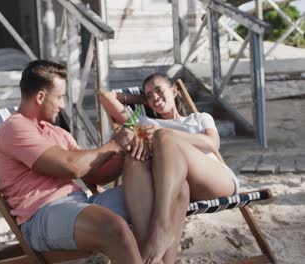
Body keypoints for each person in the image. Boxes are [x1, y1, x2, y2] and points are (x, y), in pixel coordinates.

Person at [0, 60, 185, 264]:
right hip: (41, 215)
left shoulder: (57, 132)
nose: (62, 105)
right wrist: (114, 145)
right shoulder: (15, 128)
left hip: (80, 203)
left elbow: (96, 174)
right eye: (59, 97)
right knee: (113, 228)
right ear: (40, 97)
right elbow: (73, 167)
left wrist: (131, 147)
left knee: (176, 190)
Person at [99, 73, 240, 263]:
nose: (155, 97)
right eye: (149, 95)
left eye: (159, 90)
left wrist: (164, 133)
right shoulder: (142, 121)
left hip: (214, 180)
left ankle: (162, 225)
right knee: (134, 158)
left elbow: (212, 143)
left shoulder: (199, 118)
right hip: (177, 188)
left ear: (174, 90)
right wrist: (142, 100)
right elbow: (105, 96)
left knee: (163, 137)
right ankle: (151, 256)